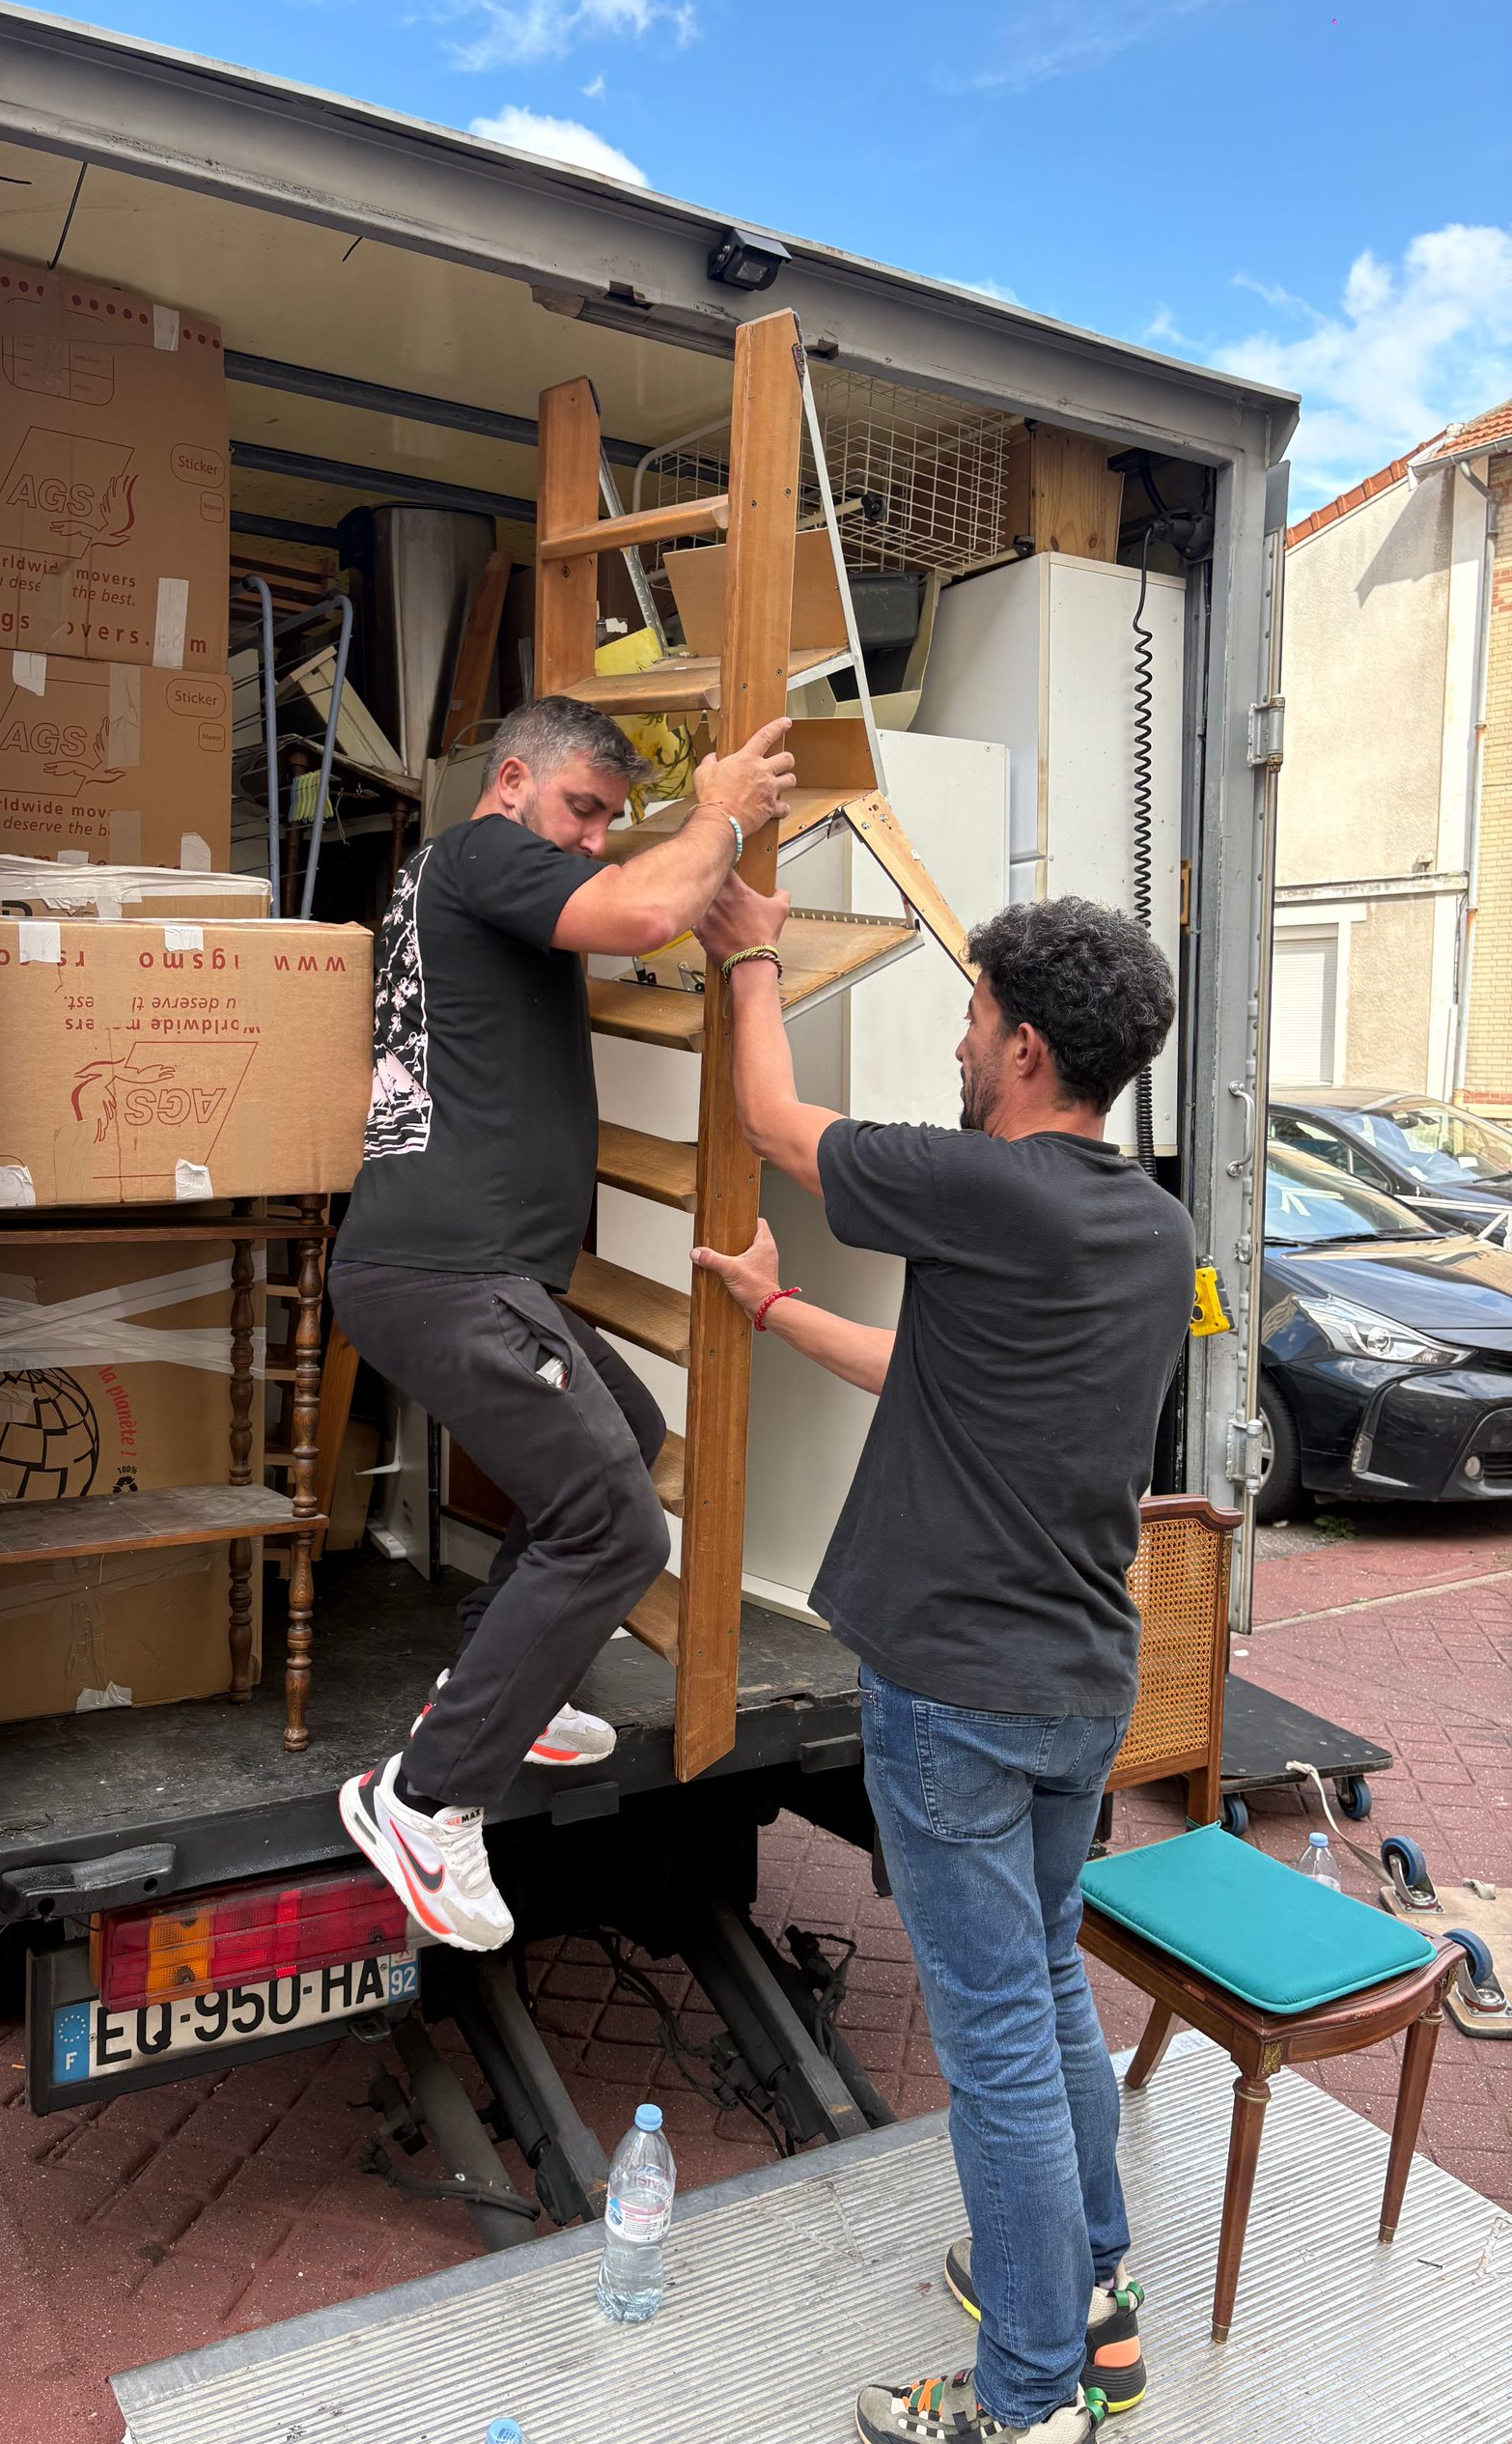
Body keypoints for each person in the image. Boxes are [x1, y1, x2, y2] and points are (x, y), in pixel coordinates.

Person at [689, 885, 1193, 2444]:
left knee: (993, 2056)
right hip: (1071, 1682)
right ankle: (1085, 2286)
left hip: (959, 1699)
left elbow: (773, 1116)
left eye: (972, 1014)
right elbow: (932, 1371)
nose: (955, 1037)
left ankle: (1031, 2395)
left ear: (1025, 1047)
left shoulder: (985, 1183)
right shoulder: (1143, 1221)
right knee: (1041, 1986)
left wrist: (746, 942)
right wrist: (775, 1309)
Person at [329, 695, 796, 1953]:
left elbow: (636, 903)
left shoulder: (486, 884)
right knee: (614, 1523)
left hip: (470, 1272)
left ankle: (498, 1691)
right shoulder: (480, 852)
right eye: (583, 810)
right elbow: (646, 908)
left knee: (622, 1432)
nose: (591, 840)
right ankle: (424, 1797)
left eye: (603, 820)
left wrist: (727, 910)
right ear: (514, 777)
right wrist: (718, 816)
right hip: (443, 1267)